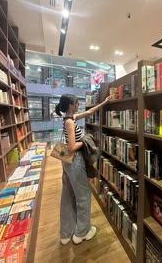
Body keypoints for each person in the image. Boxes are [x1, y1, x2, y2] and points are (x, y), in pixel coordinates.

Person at [55, 94, 111, 245]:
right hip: (75, 161)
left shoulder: (69, 118)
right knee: (83, 195)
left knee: (68, 196)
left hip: (67, 162)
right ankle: (82, 232)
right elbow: (73, 147)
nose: (78, 105)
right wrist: (86, 139)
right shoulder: (70, 122)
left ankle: (66, 234)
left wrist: (103, 102)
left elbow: (88, 112)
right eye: (76, 103)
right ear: (70, 105)